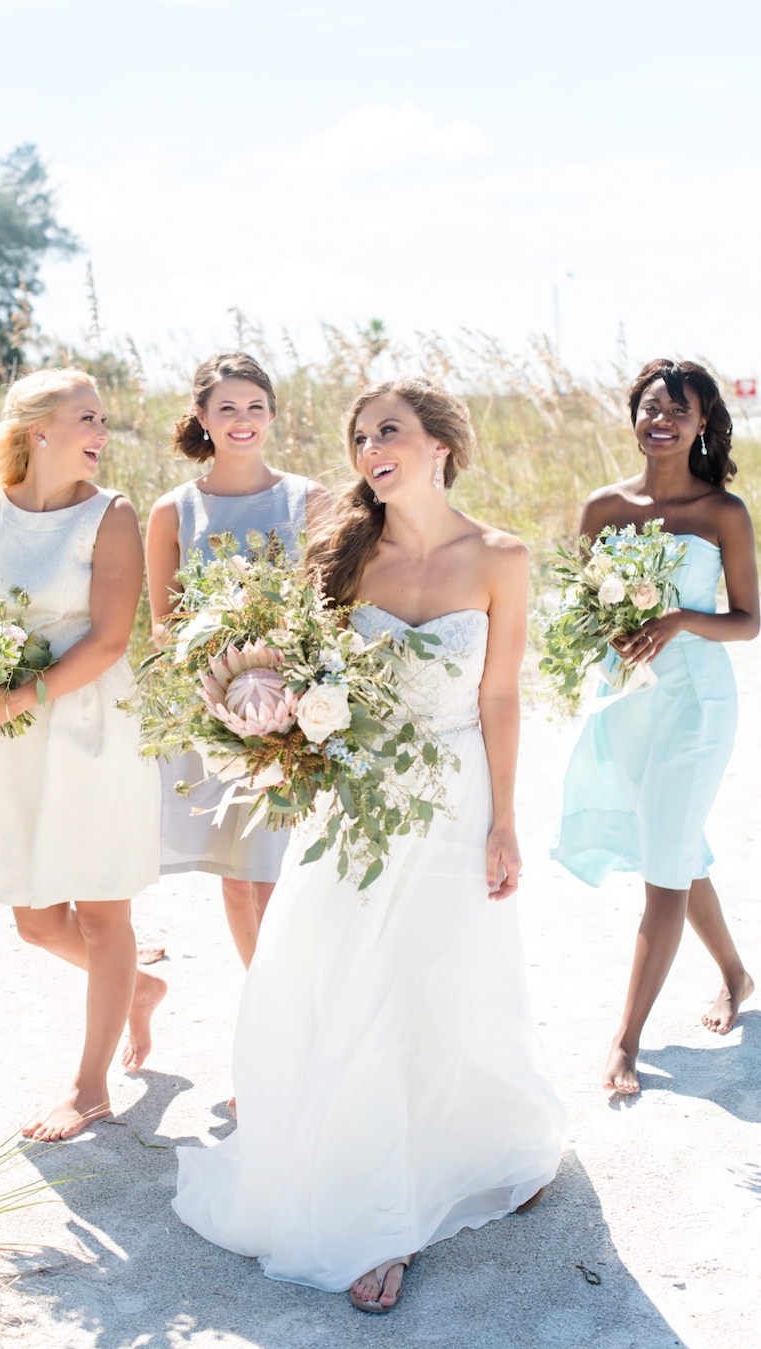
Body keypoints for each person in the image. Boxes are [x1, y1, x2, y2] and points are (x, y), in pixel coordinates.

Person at [172, 378, 565, 1312]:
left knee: (446, 974)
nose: (367, 449)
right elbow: (286, 665)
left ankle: (486, 1146)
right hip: (356, 802)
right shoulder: (342, 554)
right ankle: (377, 1211)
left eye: (387, 430)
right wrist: (262, 709)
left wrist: (505, 819)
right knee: (356, 980)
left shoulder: (501, 555)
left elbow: (498, 698)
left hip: (455, 795)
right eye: (357, 437)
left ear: (441, 444)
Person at [0, 368, 163, 1140]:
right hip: (17, 735)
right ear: (39, 428)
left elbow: (111, 639)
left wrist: (18, 698)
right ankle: (138, 988)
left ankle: (90, 1086)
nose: (101, 432)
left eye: (101, 418)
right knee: (37, 921)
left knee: (103, 910)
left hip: (90, 726)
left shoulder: (111, 515)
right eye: (88, 417)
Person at [552, 359, 758, 1096]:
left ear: (704, 422)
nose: (661, 418)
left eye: (679, 408)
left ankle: (626, 1039)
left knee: (663, 871)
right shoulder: (603, 508)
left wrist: (677, 619)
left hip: (696, 704)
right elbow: (578, 606)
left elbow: (748, 620)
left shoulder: (723, 512)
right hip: (628, 704)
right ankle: (736, 974)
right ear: (633, 415)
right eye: (649, 405)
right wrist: (597, 631)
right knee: (671, 844)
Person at [144, 352, 331, 976]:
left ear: (273, 414)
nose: (242, 420)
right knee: (236, 868)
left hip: (299, 713)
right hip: (217, 711)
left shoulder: (310, 500)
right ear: (202, 417)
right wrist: (213, 707)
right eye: (226, 408)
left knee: (278, 868)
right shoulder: (173, 511)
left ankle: (293, 993)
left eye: (255, 407)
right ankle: (264, 997)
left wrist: (306, 697)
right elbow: (163, 627)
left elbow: (334, 608)